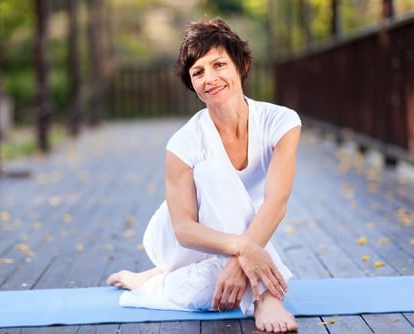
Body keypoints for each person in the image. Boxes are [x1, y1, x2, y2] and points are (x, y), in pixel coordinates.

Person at [107, 17, 301, 333]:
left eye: (219, 65)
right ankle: (265, 297)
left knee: (218, 287)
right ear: (192, 84)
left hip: (229, 234)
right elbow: (184, 229)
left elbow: (276, 203)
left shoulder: (281, 122)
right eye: (198, 72)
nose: (209, 78)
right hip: (177, 240)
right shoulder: (184, 142)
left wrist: (240, 258)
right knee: (213, 171)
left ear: (243, 66)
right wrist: (246, 249)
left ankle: (153, 280)